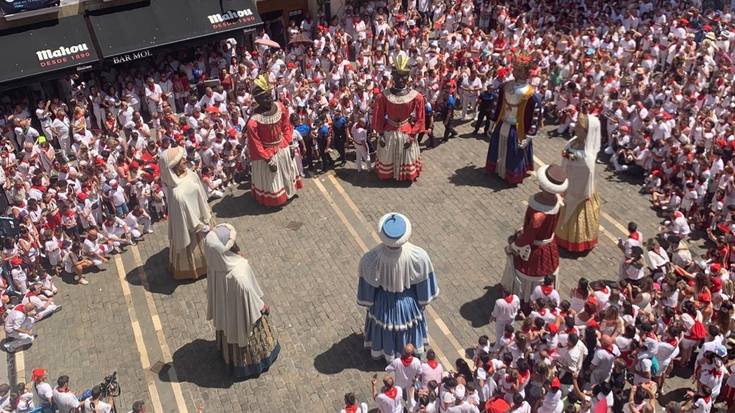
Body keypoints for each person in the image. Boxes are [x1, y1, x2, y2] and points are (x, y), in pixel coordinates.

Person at [357, 212, 439, 361]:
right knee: (408, 328)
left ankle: (386, 352)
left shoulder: (370, 259)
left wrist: (370, 303)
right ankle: (407, 350)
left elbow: (367, 290)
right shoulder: (419, 256)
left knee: (384, 328)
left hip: (382, 303)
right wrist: (421, 303)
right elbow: (424, 289)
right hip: (408, 303)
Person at [204, 223, 280, 378]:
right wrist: (262, 306)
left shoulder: (214, 266)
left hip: (227, 315)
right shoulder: (239, 270)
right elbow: (250, 297)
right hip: (245, 315)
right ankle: (253, 364)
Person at [501, 165, 568, 303]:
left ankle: (526, 299)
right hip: (549, 244)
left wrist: (514, 246)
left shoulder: (539, 215)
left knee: (526, 271)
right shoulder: (557, 201)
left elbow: (528, 236)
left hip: (535, 249)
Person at [485, 52, 542, 184]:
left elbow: (535, 116)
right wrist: (492, 122)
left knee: (513, 154)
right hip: (502, 123)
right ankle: (497, 169)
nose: (516, 71)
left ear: (527, 72)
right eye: (515, 68)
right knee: (496, 148)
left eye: (519, 70)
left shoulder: (531, 94)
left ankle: (511, 175)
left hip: (517, 128)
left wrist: (529, 136)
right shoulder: (506, 86)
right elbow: (497, 105)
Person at [246, 74, 302, 206]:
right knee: (273, 179)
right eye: (265, 98)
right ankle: (276, 199)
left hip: (282, 146)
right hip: (267, 153)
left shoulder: (280, 107)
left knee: (288, 172)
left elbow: (286, 126)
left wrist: (290, 144)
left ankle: (289, 192)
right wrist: (267, 159)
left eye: (270, 96)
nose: (269, 100)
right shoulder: (253, 122)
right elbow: (256, 144)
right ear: (258, 100)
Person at [159, 145, 213, 280]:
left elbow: (199, 191)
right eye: (180, 160)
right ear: (174, 166)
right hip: (193, 227)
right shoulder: (177, 192)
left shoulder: (189, 173)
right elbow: (185, 216)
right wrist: (202, 227)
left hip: (202, 215)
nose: (185, 160)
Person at [372, 53, 425, 182]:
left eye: (404, 76)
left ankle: (406, 175)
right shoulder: (383, 96)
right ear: (393, 77)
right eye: (398, 76)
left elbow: (420, 118)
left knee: (407, 156)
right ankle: (389, 174)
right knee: (387, 156)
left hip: (407, 133)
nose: (401, 79)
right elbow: (378, 116)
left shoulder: (416, 97)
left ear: (408, 77)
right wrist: (380, 134)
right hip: (389, 132)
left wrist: (413, 136)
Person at [555, 110, 602, 252]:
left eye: (579, 127)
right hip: (566, 184)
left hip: (576, 194)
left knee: (574, 215)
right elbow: (567, 156)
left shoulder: (587, 159)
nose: (575, 127)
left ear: (587, 132)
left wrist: (568, 192)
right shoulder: (573, 142)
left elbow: (583, 180)